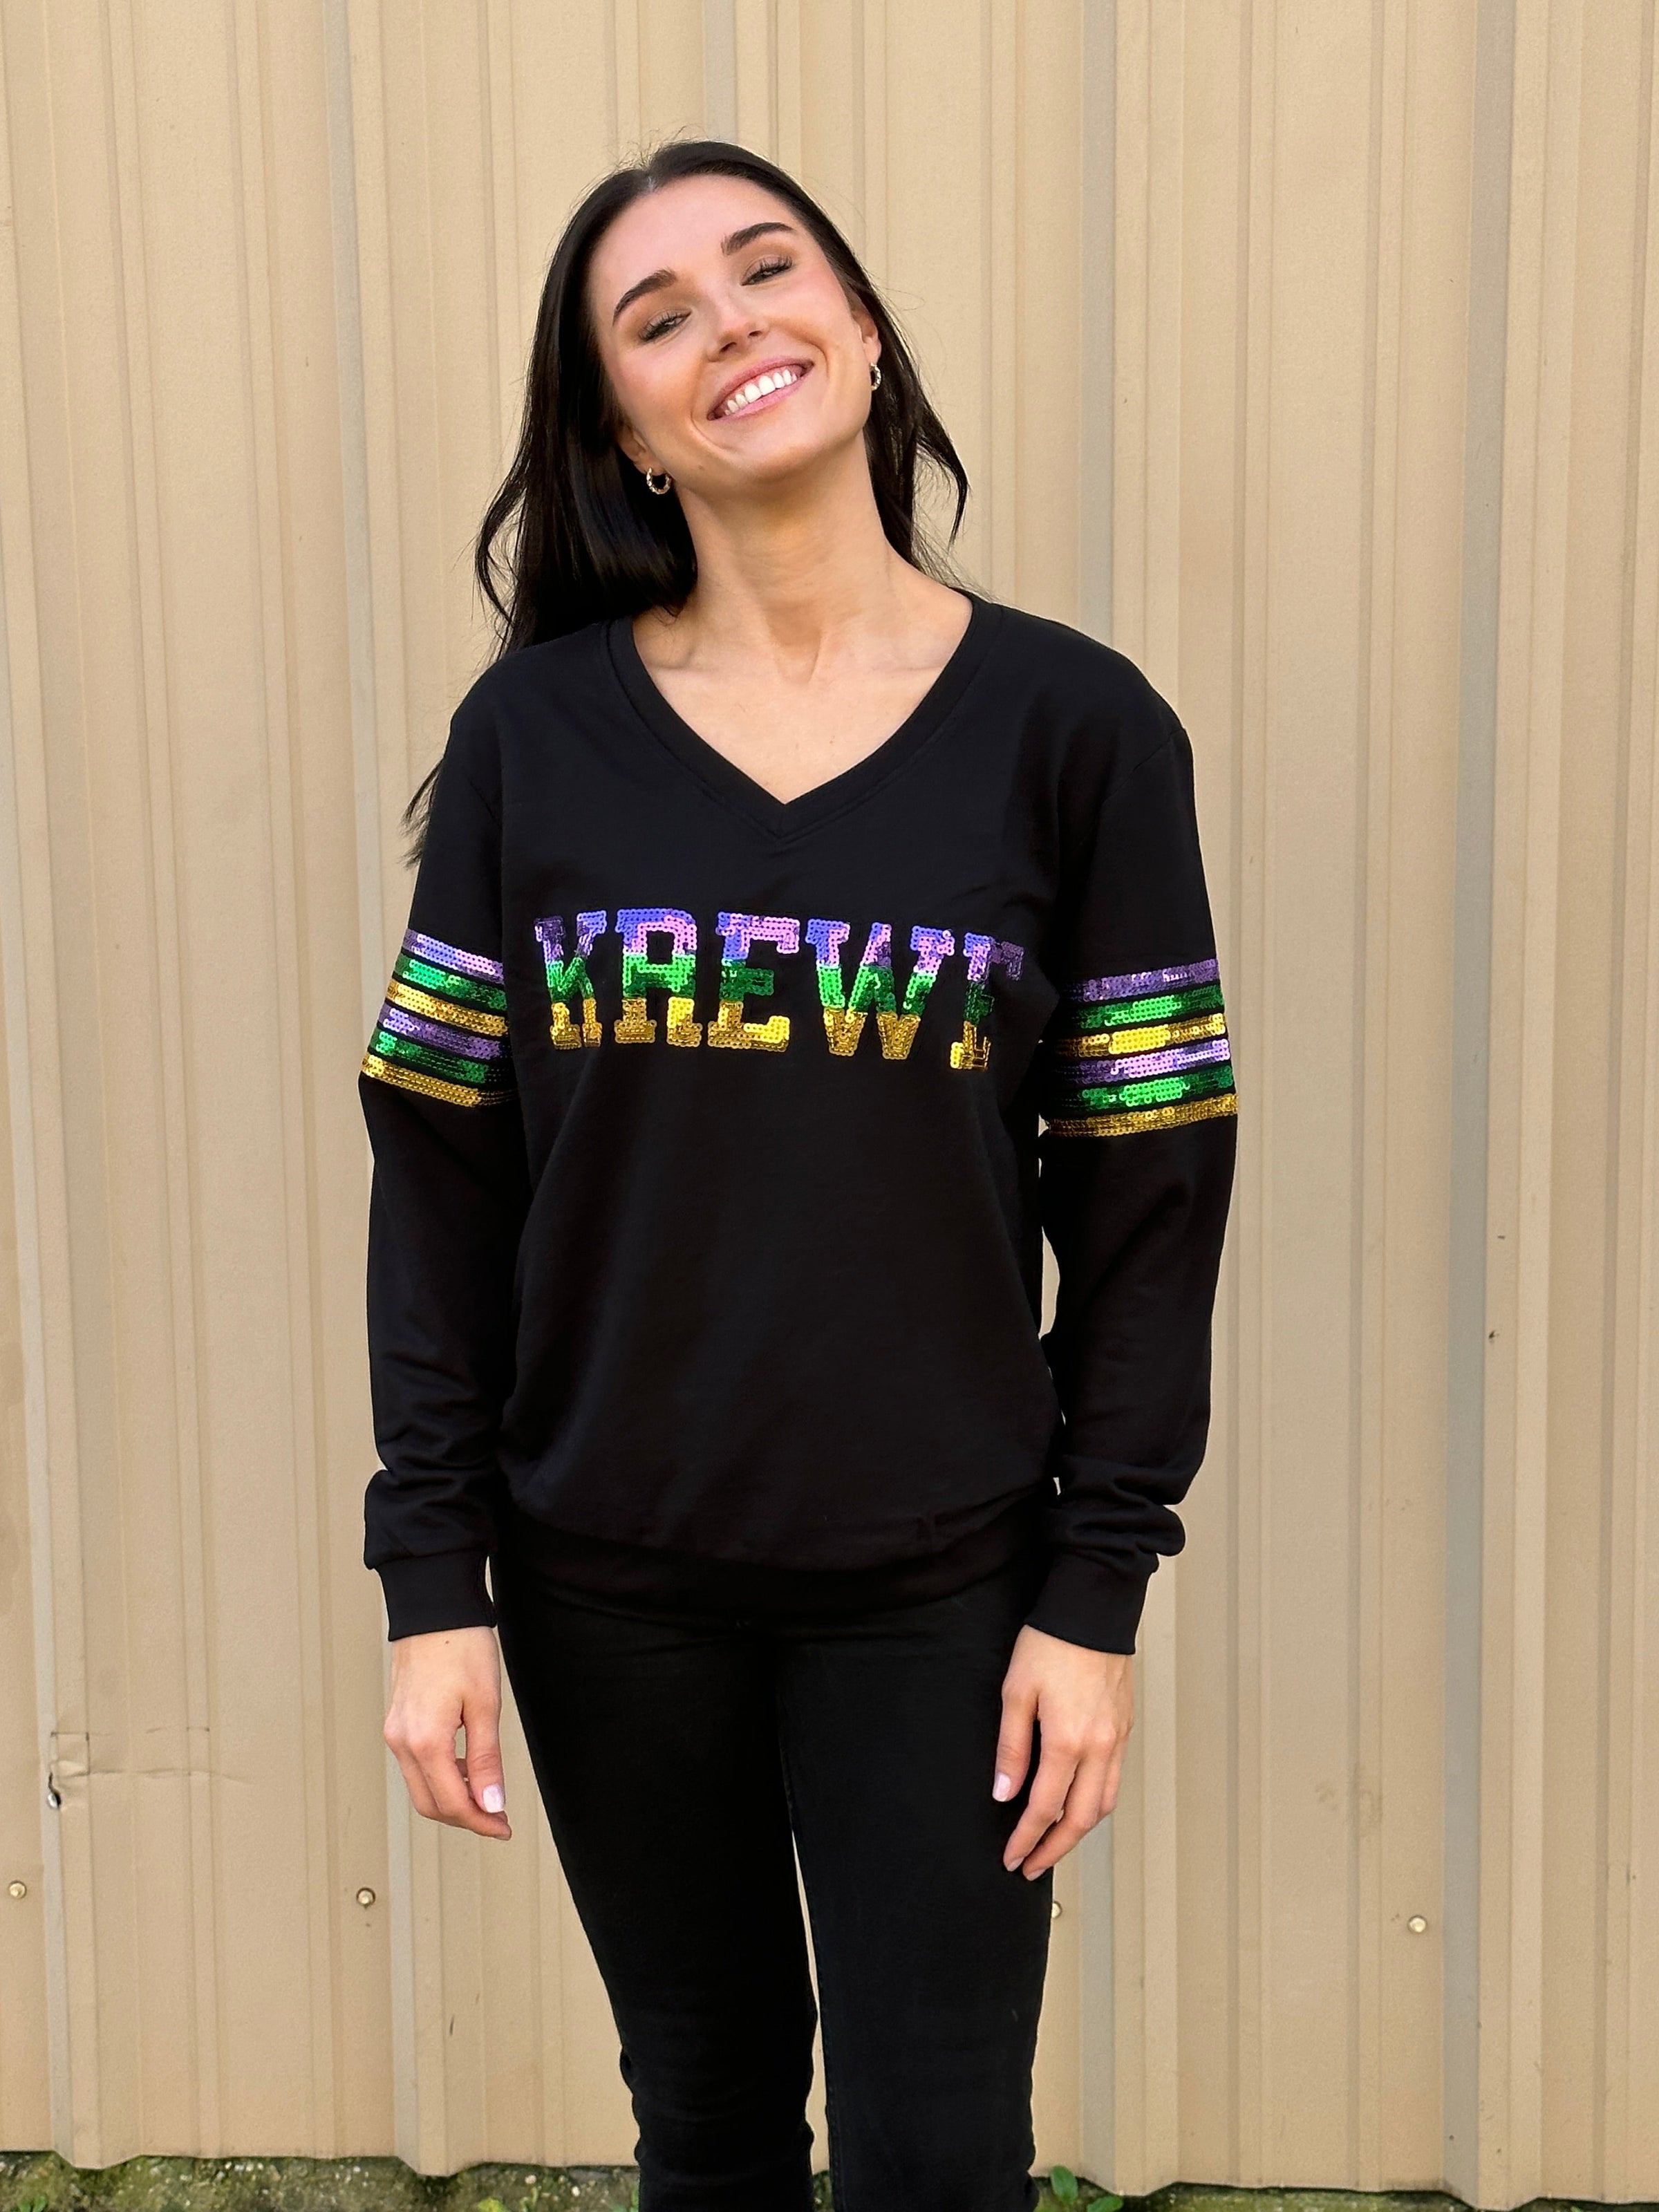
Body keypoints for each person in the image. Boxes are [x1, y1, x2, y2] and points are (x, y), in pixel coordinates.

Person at [361, 138, 1237, 2212]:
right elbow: (442, 1178)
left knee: (942, 2164)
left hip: (943, 1594)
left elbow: (1152, 1200)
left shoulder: (1077, 730)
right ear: (622, 431)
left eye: (769, 270)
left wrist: (1095, 1591)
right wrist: (432, 1582)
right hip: (604, 1589)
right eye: (658, 316)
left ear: (858, 324)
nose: (732, 325)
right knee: (714, 2137)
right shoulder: (533, 742)